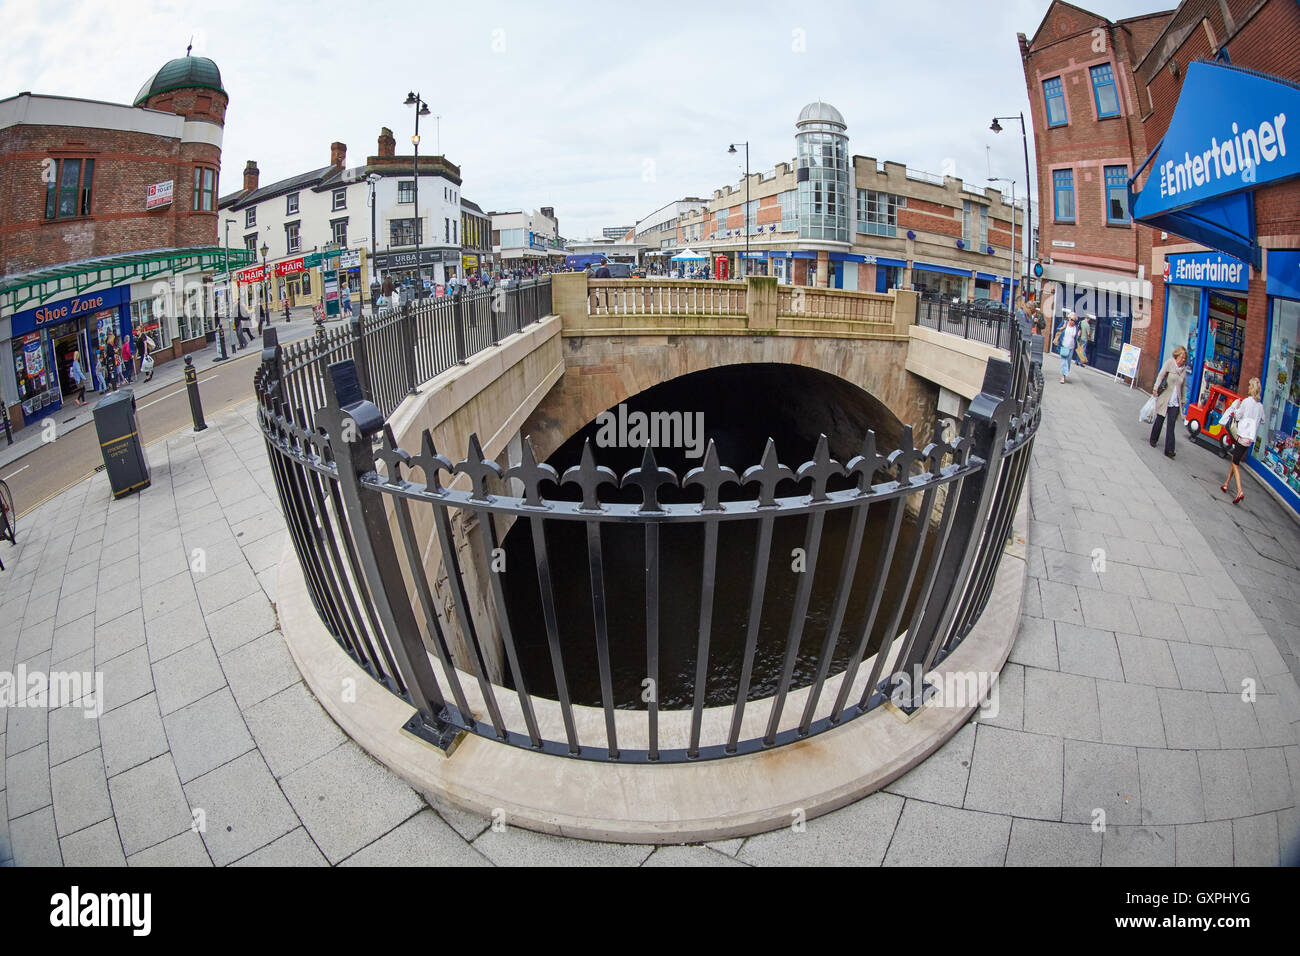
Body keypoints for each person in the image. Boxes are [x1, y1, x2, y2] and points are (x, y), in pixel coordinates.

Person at [1220, 377, 1265, 504]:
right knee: (1236, 458)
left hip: (1242, 436)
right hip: (1250, 439)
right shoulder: (1260, 406)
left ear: (1253, 388)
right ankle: (1226, 484)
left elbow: (1238, 415)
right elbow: (1263, 420)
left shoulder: (1246, 402)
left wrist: (1238, 407)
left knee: (1235, 463)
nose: (1248, 388)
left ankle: (1240, 491)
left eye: (1250, 386)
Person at [1149, 345, 1189, 459]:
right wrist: (1155, 388)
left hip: (1175, 402)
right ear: (1176, 356)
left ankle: (1169, 450)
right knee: (1160, 419)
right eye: (1181, 357)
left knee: (1171, 425)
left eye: (1184, 358)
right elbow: (1161, 375)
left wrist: (1183, 400)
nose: (1183, 360)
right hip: (1165, 397)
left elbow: (1183, 386)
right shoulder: (1169, 363)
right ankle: (1153, 439)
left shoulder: (1184, 370)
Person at [1051, 312, 1079, 384]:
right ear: (1069, 318)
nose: (1072, 322)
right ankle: (1063, 377)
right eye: (1071, 319)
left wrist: (1078, 335)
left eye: (1074, 320)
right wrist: (1062, 328)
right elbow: (1057, 329)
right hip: (1063, 346)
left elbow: (1076, 338)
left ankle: (1065, 373)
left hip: (1071, 348)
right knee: (1064, 361)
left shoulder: (1076, 328)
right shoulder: (1064, 323)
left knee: (1068, 362)